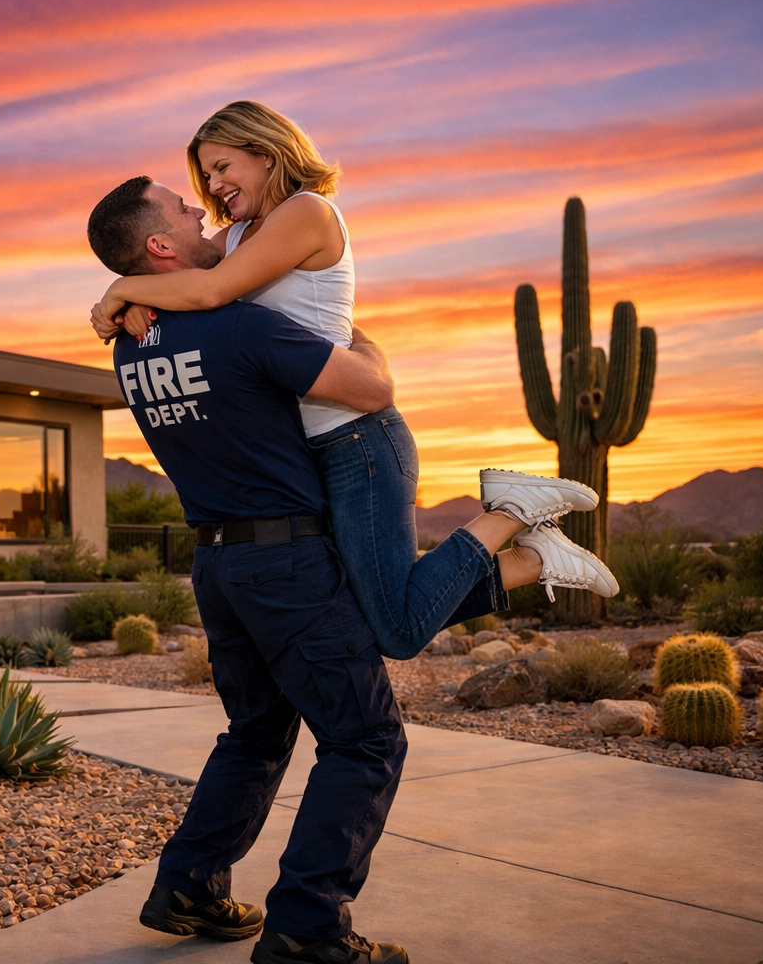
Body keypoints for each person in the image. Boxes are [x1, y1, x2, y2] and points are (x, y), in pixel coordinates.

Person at [85, 176, 613, 964]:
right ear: (161, 247)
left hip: (219, 567)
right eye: (182, 209)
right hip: (286, 560)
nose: (200, 209)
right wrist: (348, 327)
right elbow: (372, 389)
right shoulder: (241, 326)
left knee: (258, 731)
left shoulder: (132, 343)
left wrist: (119, 295)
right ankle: (307, 927)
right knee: (366, 740)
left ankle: (188, 885)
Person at [91, 102, 616, 660]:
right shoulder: (240, 235)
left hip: (357, 440)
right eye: (206, 174)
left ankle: (513, 521)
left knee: (396, 631)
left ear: (266, 154)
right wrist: (128, 300)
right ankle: (535, 557)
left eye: (222, 168)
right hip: (312, 446)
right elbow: (181, 270)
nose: (213, 187)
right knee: (365, 615)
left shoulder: (306, 213)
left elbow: (209, 292)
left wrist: (121, 291)